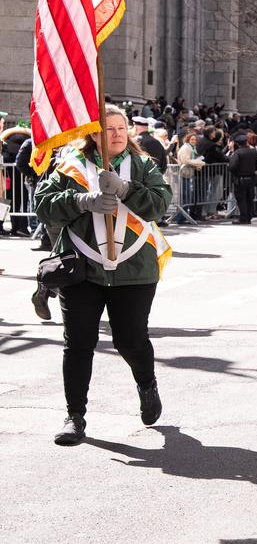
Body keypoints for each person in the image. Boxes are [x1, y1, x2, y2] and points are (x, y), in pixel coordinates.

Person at [33, 104, 173, 446]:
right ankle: (75, 416)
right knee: (78, 343)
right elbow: (44, 205)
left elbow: (160, 205)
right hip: (82, 270)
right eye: (108, 129)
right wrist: (82, 200)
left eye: (121, 128)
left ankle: (147, 385)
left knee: (131, 341)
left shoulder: (142, 165)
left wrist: (126, 190)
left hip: (134, 271)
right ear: (93, 135)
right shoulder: (72, 166)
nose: (116, 134)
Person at [227, 133, 257, 225]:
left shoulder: (237, 153)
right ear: (246, 142)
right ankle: (248, 217)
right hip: (251, 178)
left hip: (240, 179)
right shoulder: (254, 151)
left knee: (241, 199)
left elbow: (232, 166)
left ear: (237, 144)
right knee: (249, 198)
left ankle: (243, 217)